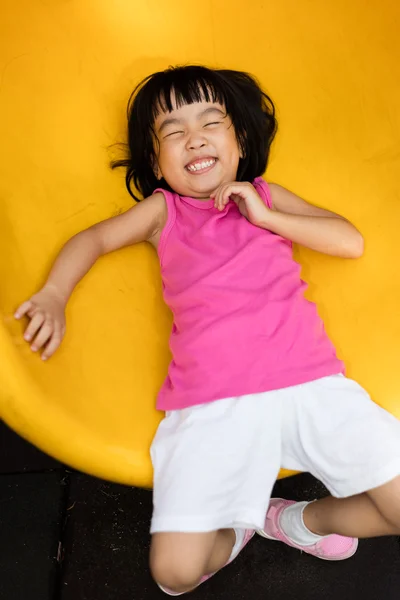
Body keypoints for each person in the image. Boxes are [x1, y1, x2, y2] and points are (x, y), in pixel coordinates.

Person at [14, 65, 400, 596]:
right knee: (173, 576)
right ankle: (236, 527)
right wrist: (54, 294)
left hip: (309, 385)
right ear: (156, 161)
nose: (193, 137)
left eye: (210, 122)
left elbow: (348, 240)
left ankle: (297, 522)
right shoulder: (162, 211)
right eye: (172, 131)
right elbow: (94, 239)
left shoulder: (265, 195)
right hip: (212, 405)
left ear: (239, 143)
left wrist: (267, 216)